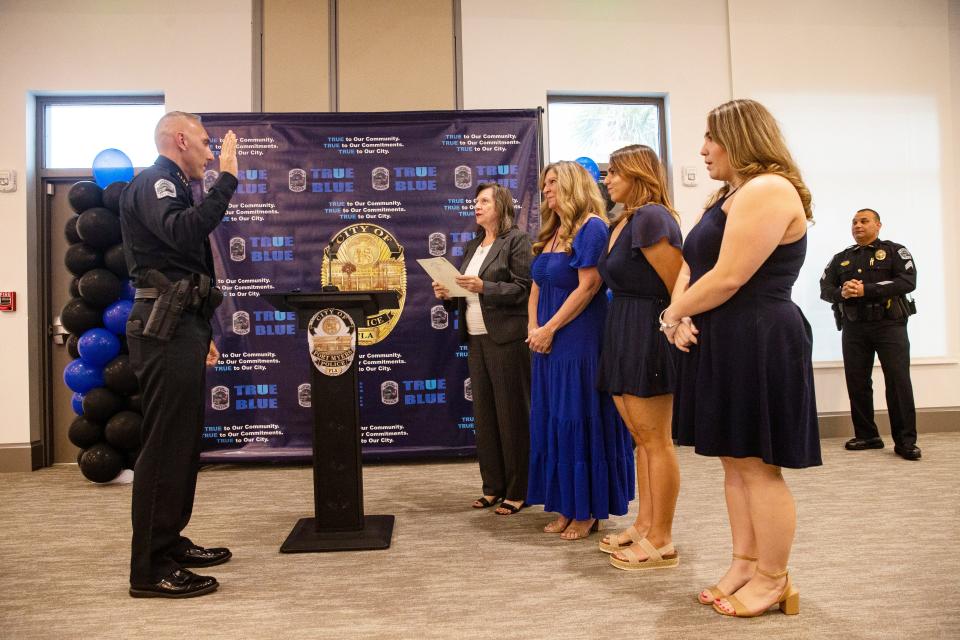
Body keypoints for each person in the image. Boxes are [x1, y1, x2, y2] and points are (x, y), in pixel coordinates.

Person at [663, 99, 820, 617]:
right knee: (735, 464)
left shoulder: (769, 189)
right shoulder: (728, 195)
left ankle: (774, 578)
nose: (703, 149)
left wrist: (671, 316)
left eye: (711, 137)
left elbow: (730, 277)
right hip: (725, 333)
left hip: (759, 335)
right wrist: (682, 313)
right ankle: (744, 563)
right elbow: (695, 263)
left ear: (741, 139)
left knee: (759, 468)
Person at [120, 111, 238, 598]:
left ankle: (168, 542)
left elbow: (180, 264)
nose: (211, 154)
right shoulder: (155, 183)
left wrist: (199, 328)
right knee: (166, 444)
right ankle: (148, 568)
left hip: (180, 323)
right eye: (208, 144)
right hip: (164, 329)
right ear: (181, 139)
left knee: (183, 443)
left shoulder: (171, 184)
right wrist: (227, 178)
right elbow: (187, 233)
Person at [526, 161, 635, 540]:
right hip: (547, 343)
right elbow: (537, 284)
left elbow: (588, 288)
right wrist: (533, 328)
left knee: (577, 418)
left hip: (578, 339)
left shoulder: (592, 228)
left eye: (553, 182)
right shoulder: (554, 230)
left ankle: (586, 509)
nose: (546, 189)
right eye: (544, 183)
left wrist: (551, 327)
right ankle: (566, 504)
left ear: (572, 184)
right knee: (555, 420)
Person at [596, 145, 683, 570]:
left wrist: (670, 329)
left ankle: (662, 538)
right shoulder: (625, 219)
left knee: (656, 440)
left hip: (650, 329)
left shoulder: (652, 217)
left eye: (614, 172)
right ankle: (645, 524)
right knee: (640, 439)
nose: (606, 179)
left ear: (637, 174)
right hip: (622, 327)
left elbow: (677, 285)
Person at [432, 183, 533, 515]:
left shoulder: (516, 240)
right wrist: (449, 294)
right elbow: (465, 291)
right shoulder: (474, 244)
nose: (476, 206)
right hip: (475, 337)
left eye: (484, 201)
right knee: (485, 418)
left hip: (507, 339)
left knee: (512, 416)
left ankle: (518, 491)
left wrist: (483, 286)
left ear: (501, 206)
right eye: (475, 201)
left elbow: (524, 287)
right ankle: (493, 487)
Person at [819, 209, 920, 460]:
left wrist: (867, 290)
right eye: (854, 222)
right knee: (857, 381)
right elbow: (825, 288)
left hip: (890, 325)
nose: (857, 226)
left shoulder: (896, 251)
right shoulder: (841, 258)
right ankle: (867, 436)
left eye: (864, 221)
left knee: (897, 382)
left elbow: (908, 281)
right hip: (854, 326)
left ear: (878, 225)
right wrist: (841, 292)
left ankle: (906, 441)